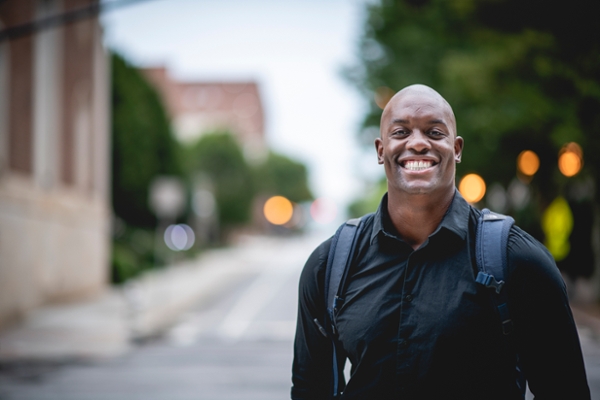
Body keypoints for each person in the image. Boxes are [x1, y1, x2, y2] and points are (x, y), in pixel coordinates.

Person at [291, 84, 590, 399]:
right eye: (401, 132)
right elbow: (310, 389)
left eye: (434, 133)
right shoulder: (330, 265)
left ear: (457, 149)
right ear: (380, 150)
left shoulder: (518, 259)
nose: (417, 143)